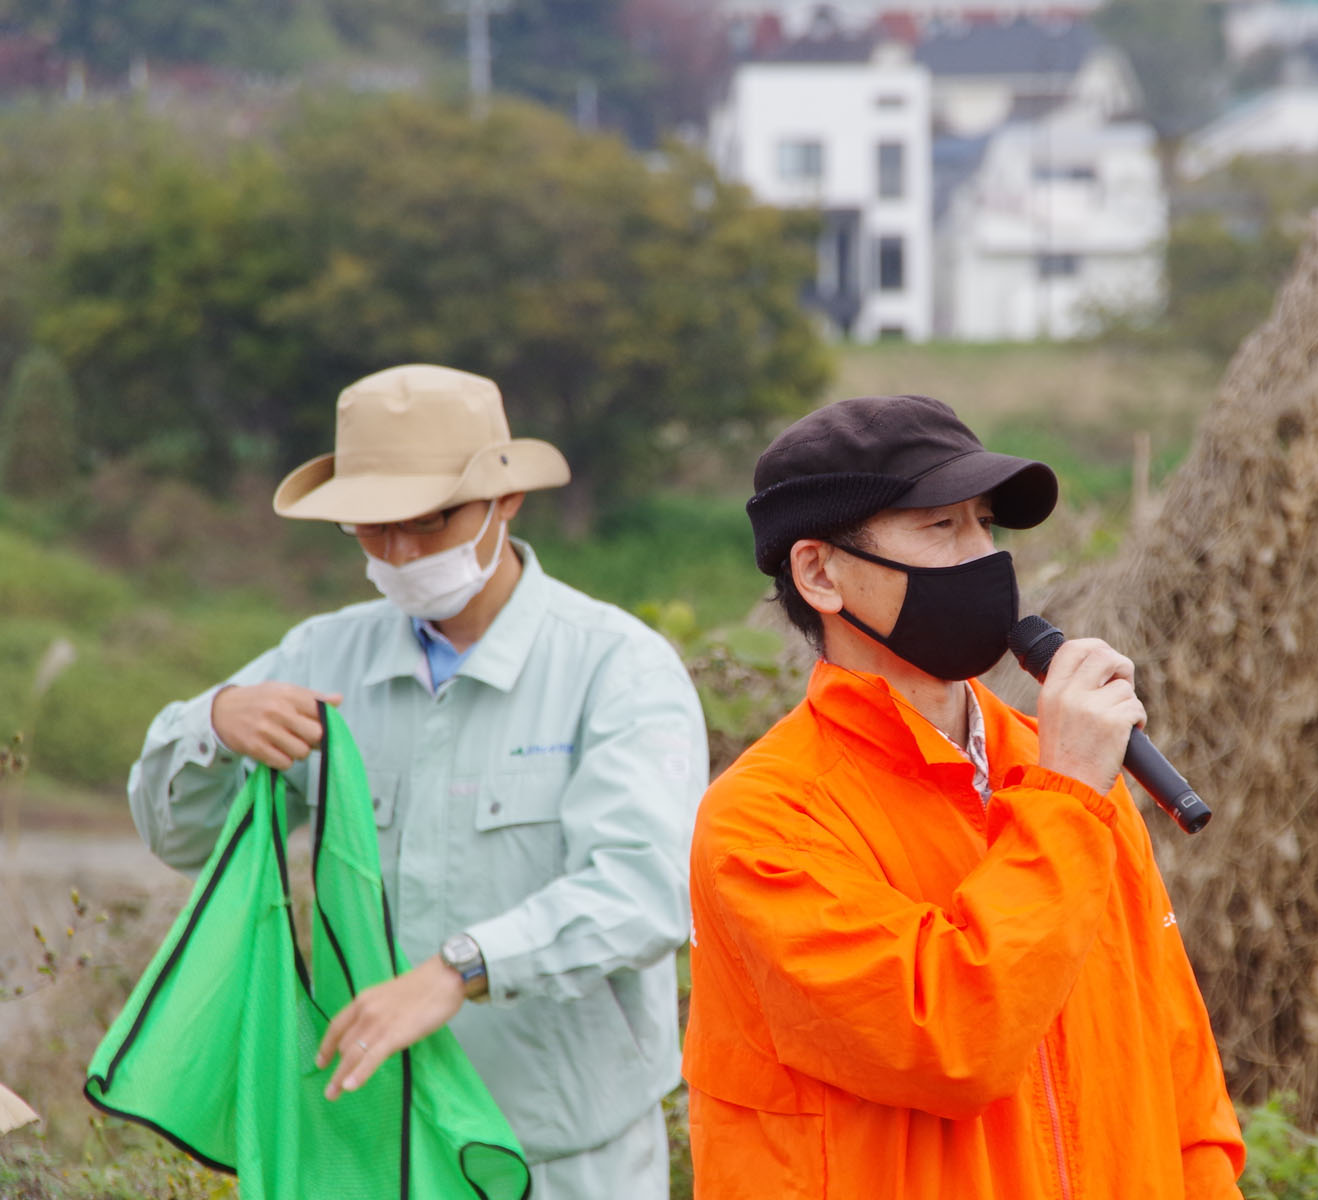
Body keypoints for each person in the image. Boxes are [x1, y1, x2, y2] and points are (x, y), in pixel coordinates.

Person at [127, 363, 708, 1199]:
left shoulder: (614, 668)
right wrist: (213, 725)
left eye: (429, 522)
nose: (399, 552)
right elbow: (179, 836)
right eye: (371, 528)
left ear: (504, 501)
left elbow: (646, 889)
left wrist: (459, 970)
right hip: (374, 1146)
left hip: (561, 1152)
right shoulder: (324, 656)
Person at [682, 394, 1245, 1198]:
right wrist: (1065, 795)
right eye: (940, 528)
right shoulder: (768, 819)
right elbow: (950, 1040)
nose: (985, 557)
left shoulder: (1061, 774)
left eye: (987, 523)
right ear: (819, 572)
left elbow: (1177, 1062)